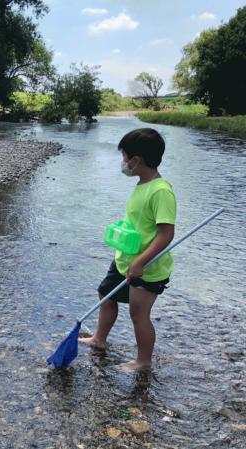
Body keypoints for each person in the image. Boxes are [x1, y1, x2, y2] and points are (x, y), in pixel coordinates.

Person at [79, 128, 176, 370]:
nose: (122, 163)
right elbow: (140, 223)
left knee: (138, 314)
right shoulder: (142, 185)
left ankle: (143, 362)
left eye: (124, 157)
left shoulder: (161, 191)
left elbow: (166, 234)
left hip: (147, 267)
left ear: (136, 161)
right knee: (106, 294)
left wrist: (141, 262)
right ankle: (99, 339)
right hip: (125, 260)